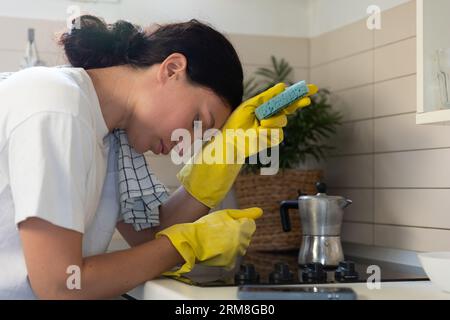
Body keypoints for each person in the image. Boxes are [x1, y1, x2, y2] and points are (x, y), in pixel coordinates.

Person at [0, 15, 314, 299]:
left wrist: (226, 153)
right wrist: (186, 246)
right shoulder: (59, 106)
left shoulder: (110, 135)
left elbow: (151, 234)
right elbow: (59, 285)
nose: (188, 144)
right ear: (172, 68)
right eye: (199, 122)